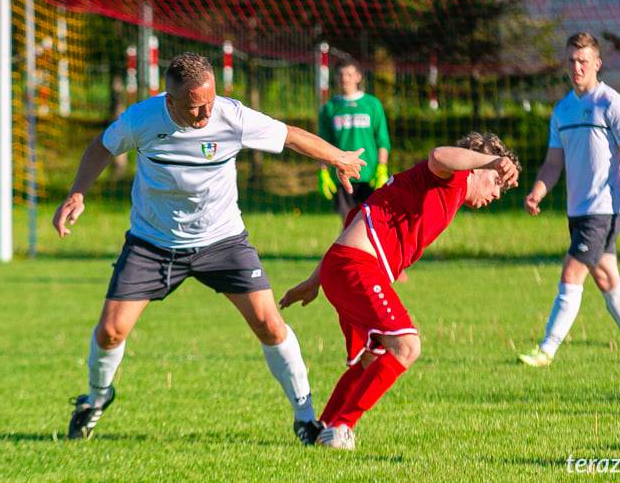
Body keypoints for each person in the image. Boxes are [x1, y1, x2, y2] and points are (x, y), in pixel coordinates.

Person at [53, 52, 366, 443]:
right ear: (170, 101)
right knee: (111, 331)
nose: (204, 114)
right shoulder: (143, 119)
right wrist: (77, 194)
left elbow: (289, 135)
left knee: (269, 323)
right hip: (153, 242)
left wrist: (337, 157)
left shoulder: (231, 116)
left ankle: (305, 418)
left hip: (222, 241)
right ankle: (96, 399)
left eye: (210, 101)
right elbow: (101, 146)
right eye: (194, 106)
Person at [280, 132, 520, 449]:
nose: (497, 193)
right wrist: (493, 160)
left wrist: (313, 282)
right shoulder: (454, 177)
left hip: (344, 266)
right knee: (407, 346)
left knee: (373, 357)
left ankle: (321, 428)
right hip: (356, 267)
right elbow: (438, 153)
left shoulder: (439, 188)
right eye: (496, 181)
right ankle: (342, 429)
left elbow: (355, 229)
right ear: (475, 166)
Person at [517, 32, 620, 368]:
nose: (576, 67)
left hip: (605, 208)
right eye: (571, 61)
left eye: (583, 61)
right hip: (578, 210)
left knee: (572, 271)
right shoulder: (563, 109)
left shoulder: (613, 103)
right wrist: (538, 190)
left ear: (597, 63)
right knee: (607, 276)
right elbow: (554, 162)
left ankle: (546, 350)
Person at [317, 58, 391, 221]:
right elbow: (321, 144)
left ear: (358, 77)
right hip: (341, 174)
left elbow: (382, 140)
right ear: (336, 77)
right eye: (341, 75)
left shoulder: (372, 104)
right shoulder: (329, 108)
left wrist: (382, 168)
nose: (345, 79)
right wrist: (323, 171)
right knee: (348, 223)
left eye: (349, 74)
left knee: (374, 222)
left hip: (369, 175)